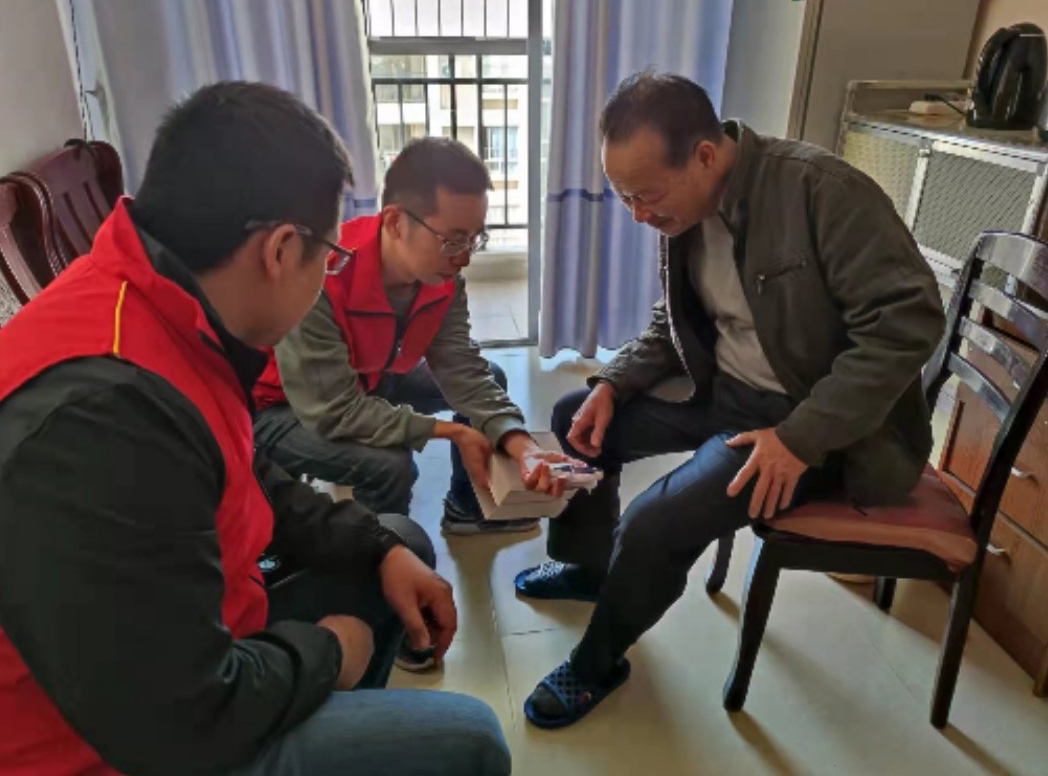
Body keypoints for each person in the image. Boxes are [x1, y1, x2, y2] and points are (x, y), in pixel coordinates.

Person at [0, 82, 510, 776]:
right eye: (325, 257)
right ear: (280, 250)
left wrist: (375, 547)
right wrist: (330, 654)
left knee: (396, 547)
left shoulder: (156, 306)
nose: (329, 272)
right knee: (472, 743)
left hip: (195, 640)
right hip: (123, 746)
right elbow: (178, 722)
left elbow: (243, 471)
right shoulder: (100, 416)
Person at [514, 72, 946, 728]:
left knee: (657, 521)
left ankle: (598, 662)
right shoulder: (686, 209)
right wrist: (613, 382)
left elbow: (907, 325)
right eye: (625, 197)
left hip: (815, 425)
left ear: (705, 156)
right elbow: (673, 322)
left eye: (646, 195)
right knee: (578, 417)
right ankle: (590, 568)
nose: (638, 215)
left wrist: (802, 437)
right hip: (725, 393)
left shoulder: (823, 193)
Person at [253, 136, 574, 536]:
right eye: (453, 240)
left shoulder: (443, 280)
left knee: (491, 377)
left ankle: (466, 508)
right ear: (395, 223)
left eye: (475, 238)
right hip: (282, 407)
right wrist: (449, 432)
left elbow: (462, 371)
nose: (464, 257)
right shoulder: (322, 277)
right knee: (389, 466)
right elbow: (333, 410)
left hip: (369, 376)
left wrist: (520, 442)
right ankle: (379, 556)